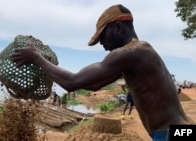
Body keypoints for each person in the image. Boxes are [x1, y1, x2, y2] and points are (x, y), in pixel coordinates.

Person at [10, 4, 194, 140]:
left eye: (102, 37)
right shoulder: (136, 57)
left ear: (119, 28)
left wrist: (36, 58)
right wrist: (48, 72)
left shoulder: (132, 52)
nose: (102, 45)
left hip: (171, 133)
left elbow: (72, 82)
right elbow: (93, 84)